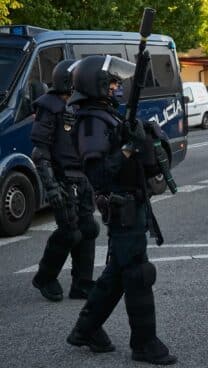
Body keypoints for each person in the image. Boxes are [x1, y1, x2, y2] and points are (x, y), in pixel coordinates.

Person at [65, 55, 176, 365]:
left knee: (119, 273)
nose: (116, 87)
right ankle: (144, 344)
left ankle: (85, 329)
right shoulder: (91, 121)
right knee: (138, 273)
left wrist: (140, 140)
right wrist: (129, 147)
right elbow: (99, 175)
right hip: (121, 205)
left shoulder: (108, 116)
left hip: (133, 202)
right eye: (111, 82)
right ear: (96, 85)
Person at [30, 59, 98, 302]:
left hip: (83, 179)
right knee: (70, 232)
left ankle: (82, 283)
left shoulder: (81, 106)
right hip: (61, 178)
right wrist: (51, 186)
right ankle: (45, 277)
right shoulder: (50, 107)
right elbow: (40, 152)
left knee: (88, 229)